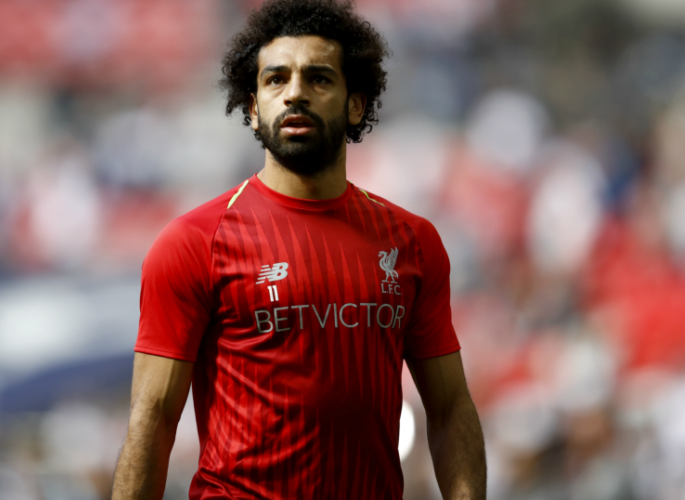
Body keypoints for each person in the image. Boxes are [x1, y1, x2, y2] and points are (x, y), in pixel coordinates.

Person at [111, 0, 486, 498]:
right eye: (276, 79)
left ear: (356, 104)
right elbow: (153, 418)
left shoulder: (413, 242)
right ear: (252, 108)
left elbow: (450, 407)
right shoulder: (193, 243)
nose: (294, 93)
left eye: (319, 78)